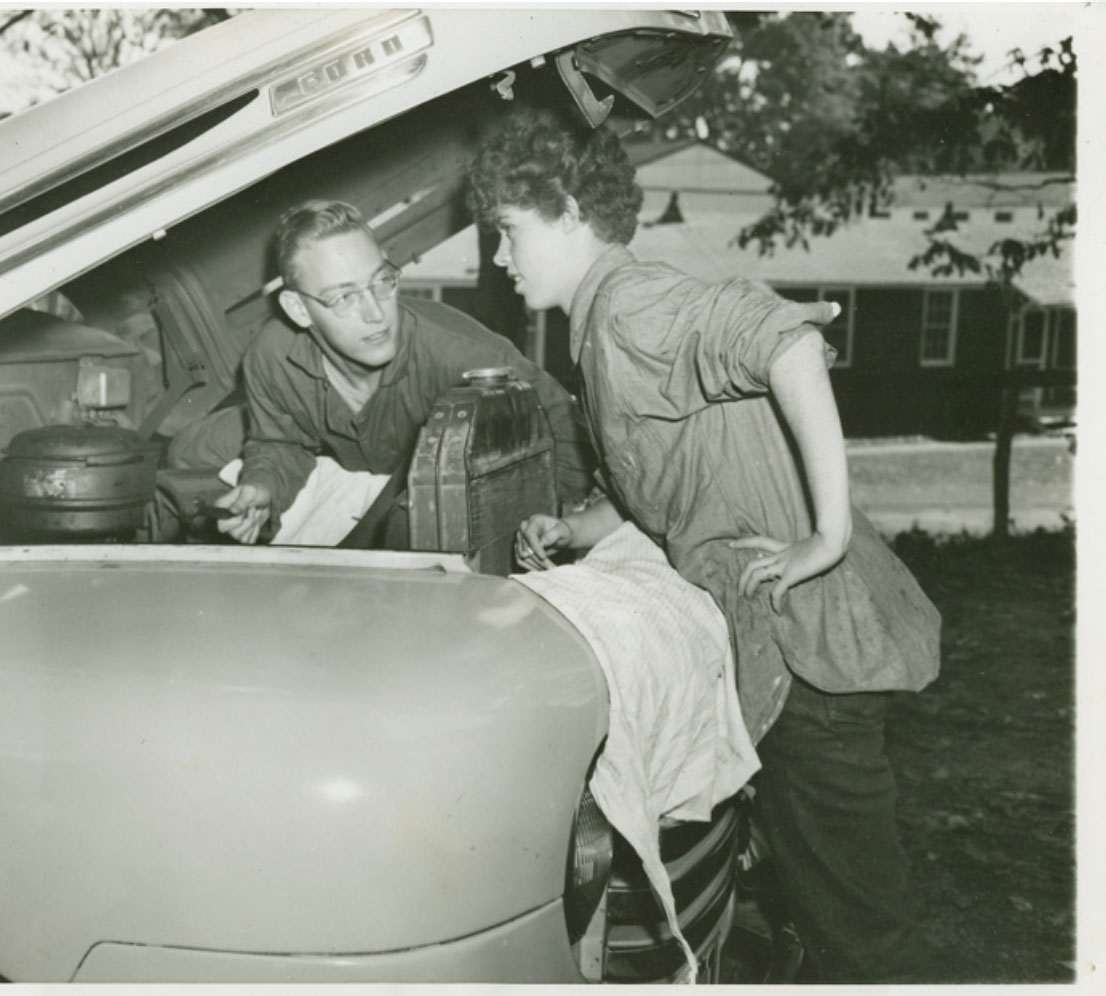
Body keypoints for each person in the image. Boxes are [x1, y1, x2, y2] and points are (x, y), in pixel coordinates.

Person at [467, 107, 941, 983]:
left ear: (569, 208)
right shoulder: (607, 316)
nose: (498, 258)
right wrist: (577, 527)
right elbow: (663, 472)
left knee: (865, 939)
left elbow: (785, 342)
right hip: (780, 650)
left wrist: (826, 535)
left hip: (811, 651)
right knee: (811, 905)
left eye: (508, 231)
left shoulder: (630, 307)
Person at [206, 199, 593, 544]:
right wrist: (261, 487)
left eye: (382, 281)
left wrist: (551, 525)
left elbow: (566, 429)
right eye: (343, 297)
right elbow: (280, 443)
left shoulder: (463, 355)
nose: (375, 313)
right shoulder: (272, 356)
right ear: (298, 309)